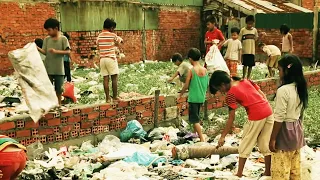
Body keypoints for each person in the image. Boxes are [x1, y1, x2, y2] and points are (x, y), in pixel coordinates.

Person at [209, 70, 274, 179]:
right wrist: (264, 108)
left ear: (222, 85)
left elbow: (231, 118)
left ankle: (239, 173)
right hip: (268, 111)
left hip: (256, 114)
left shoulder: (230, 94)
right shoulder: (245, 81)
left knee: (245, 144)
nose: (221, 92)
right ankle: (268, 172)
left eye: (220, 90)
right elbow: (262, 95)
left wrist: (223, 136)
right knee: (264, 143)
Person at [269, 55, 308, 180]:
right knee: (294, 169)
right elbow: (301, 112)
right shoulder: (300, 87)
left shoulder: (284, 90)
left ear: (287, 71)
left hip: (284, 132)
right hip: (296, 131)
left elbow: (279, 117)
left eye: (279, 70)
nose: (278, 73)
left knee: (280, 171)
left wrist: (273, 138)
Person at [37, 18, 71, 107]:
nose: (48, 33)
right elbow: (45, 52)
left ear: (56, 28)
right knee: (48, 88)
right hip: (48, 67)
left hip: (59, 68)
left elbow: (68, 52)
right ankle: (49, 105)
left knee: (58, 89)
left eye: (49, 30)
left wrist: (56, 51)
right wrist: (37, 48)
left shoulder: (63, 39)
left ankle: (58, 104)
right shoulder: (47, 39)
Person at [179, 48, 209, 142]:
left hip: (193, 98)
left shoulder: (192, 70)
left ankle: (201, 138)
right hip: (201, 97)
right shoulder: (205, 70)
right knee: (196, 116)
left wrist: (181, 93)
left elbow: (186, 84)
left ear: (190, 59)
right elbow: (206, 84)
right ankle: (195, 133)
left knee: (194, 120)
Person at [97, 18, 123, 103]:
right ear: (111, 28)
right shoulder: (113, 35)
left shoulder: (99, 36)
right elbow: (120, 41)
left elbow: (98, 46)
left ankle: (107, 98)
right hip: (111, 58)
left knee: (105, 78)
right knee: (114, 78)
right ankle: (115, 96)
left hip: (102, 60)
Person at [239, 15, 264, 79]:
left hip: (252, 51)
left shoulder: (254, 30)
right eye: (248, 24)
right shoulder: (243, 30)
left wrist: (261, 37)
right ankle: (243, 77)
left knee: (250, 65)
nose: (250, 25)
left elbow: (256, 40)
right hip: (245, 51)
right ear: (246, 23)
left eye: (251, 24)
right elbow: (239, 40)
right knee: (245, 64)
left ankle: (248, 77)